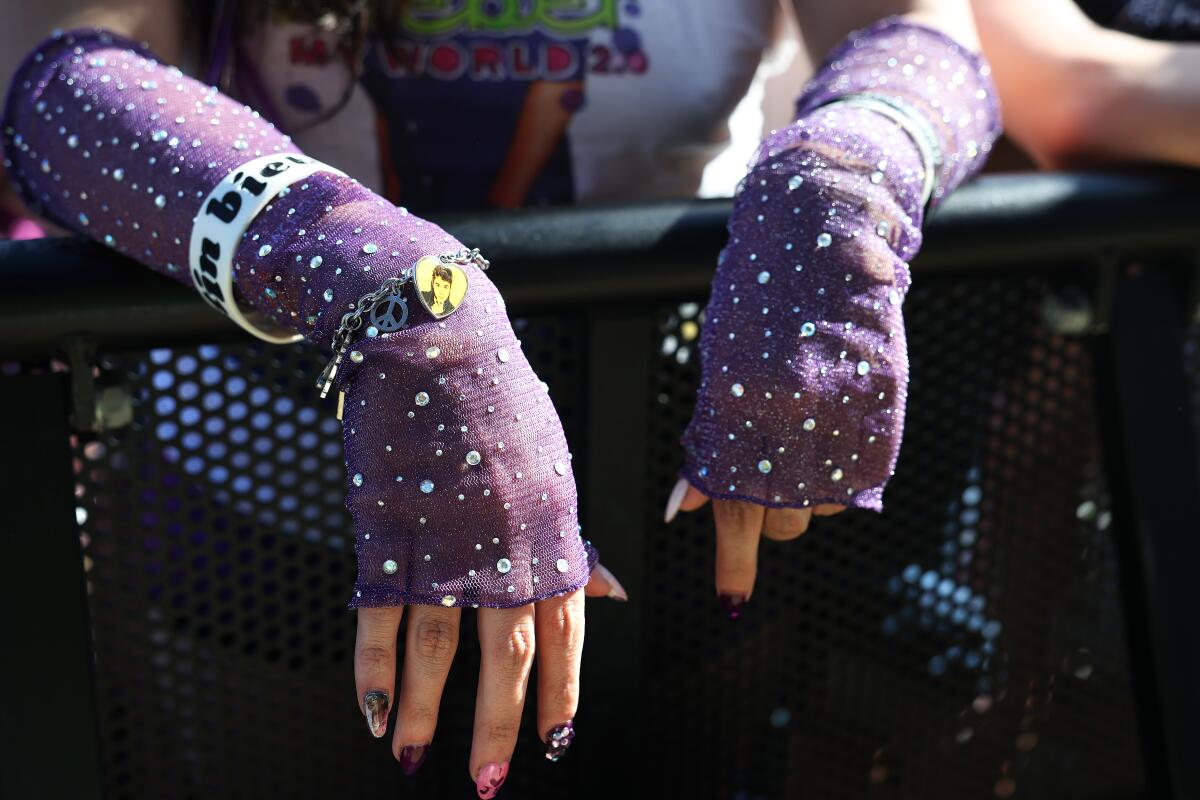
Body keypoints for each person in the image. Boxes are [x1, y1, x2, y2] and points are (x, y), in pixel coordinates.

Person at [2, 0, 1196, 796]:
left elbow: (931, 31)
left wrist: (849, 164)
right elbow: (57, 70)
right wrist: (376, 274)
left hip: (667, 518)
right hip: (276, 539)